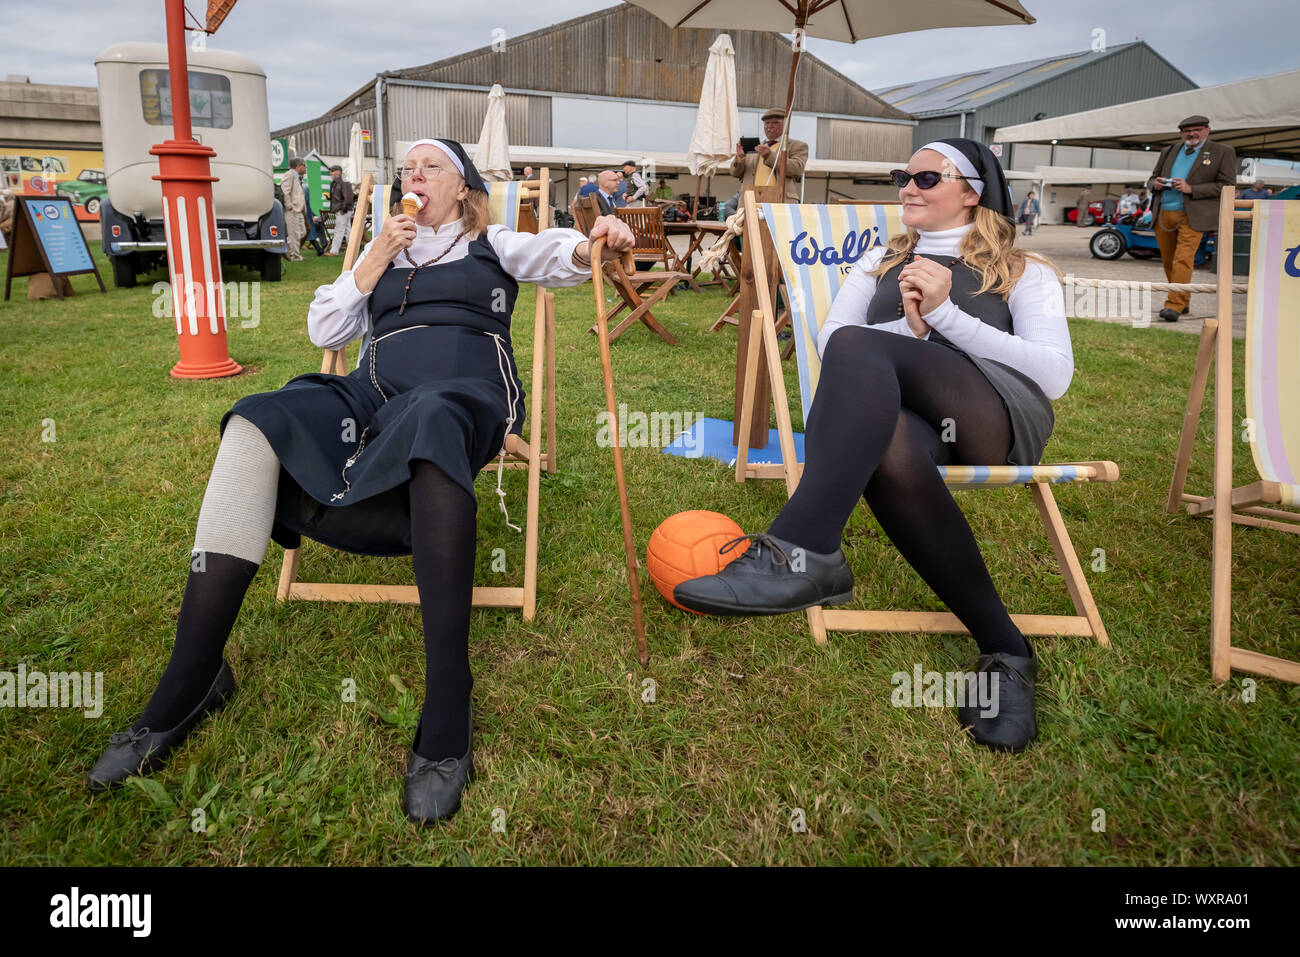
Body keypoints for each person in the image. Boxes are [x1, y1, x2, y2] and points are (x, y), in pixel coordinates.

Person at [86, 137, 636, 826]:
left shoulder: (492, 240)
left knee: (432, 414)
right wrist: (372, 260)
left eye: (429, 166)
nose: (414, 176)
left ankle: (448, 704)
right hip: (373, 397)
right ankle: (190, 682)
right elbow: (325, 323)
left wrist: (594, 242)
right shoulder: (385, 250)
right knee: (259, 418)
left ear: (462, 187)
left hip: (463, 394)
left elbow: (557, 255)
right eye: (407, 168)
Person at [674, 138, 1073, 754]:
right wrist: (909, 329)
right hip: (906, 423)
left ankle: (804, 551)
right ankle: (1007, 649)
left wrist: (946, 320)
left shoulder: (1023, 270)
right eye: (901, 175)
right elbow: (836, 339)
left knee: (863, 346)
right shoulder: (880, 261)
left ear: (972, 191)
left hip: (992, 418)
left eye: (926, 177)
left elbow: (1053, 375)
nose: (907, 187)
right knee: (887, 442)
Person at [1146, 114, 1237, 322]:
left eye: (1197, 129)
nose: (1192, 133)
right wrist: (1155, 184)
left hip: (1193, 214)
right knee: (1168, 260)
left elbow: (1227, 185)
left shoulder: (1222, 152)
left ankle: (1174, 305)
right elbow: (1151, 179)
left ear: (1207, 130)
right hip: (1163, 213)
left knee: (1183, 259)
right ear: (1181, 133)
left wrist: (1191, 188)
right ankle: (1183, 299)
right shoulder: (1168, 151)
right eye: (1187, 130)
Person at [731, 107, 807, 204]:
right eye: (766, 123)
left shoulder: (797, 146)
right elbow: (735, 173)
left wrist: (769, 156)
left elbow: (797, 169)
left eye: (775, 122)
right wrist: (740, 158)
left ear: (785, 125)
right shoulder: (755, 147)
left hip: (780, 202)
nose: (769, 126)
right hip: (751, 202)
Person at [280, 159, 307, 262]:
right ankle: (294, 256)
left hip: (298, 209)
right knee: (294, 234)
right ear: (299, 166)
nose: (306, 168)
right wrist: (289, 206)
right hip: (292, 210)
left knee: (302, 232)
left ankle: (284, 248)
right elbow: (285, 191)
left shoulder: (296, 176)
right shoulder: (289, 175)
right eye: (305, 166)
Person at [326, 164, 355, 258]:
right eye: (330, 171)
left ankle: (334, 251)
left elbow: (349, 199)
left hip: (343, 210)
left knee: (339, 230)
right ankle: (352, 250)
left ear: (338, 172)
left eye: (332, 171)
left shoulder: (344, 183)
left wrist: (343, 209)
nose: (331, 173)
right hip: (342, 209)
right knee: (347, 230)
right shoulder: (335, 183)